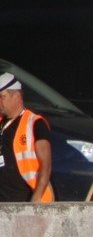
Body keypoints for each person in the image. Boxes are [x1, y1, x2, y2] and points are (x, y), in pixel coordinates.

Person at [0, 73, 54, 202]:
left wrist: (37, 197)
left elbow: (46, 165)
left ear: (16, 96)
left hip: (26, 199)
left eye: (2, 97)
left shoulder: (35, 123)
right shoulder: (2, 122)